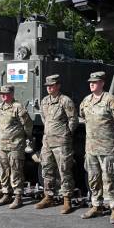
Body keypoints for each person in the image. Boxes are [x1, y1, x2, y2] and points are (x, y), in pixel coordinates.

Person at [79, 71, 114, 224]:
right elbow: (83, 116)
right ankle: (96, 205)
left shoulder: (110, 100)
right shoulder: (86, 101)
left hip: (108, 148)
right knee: (93, 179)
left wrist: (108, 135)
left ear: (102, 83)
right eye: (90, 82)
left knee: (111, 179)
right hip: (91, 148)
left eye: (95, 81)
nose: (91, 84)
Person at [34, 74, 78, 214]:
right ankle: (48, 197)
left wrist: (66, 134)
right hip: (47, 141)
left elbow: (73, 120)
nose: (49, 88)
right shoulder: (45, 101)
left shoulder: (65, 101)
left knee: (64, 170)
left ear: (58, 86)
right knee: (47, 169)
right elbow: (44, 118)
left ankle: (67, 200)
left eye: (52, 85)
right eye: (47, 86)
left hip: (61, 143)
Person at [0, 84, 33, 209]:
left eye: (6, 94)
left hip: (16, 145)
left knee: (16, 171)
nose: (3, 96)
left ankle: (18, 197)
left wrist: (28, 137)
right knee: (4, 171)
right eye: (1, 94)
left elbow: (27, 124)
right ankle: (6, 194)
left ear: (12, 94)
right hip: (3, 145)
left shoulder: (18, 107)